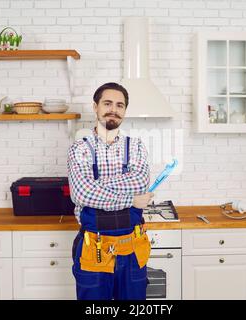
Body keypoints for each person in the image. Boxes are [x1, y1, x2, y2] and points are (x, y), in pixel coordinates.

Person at [67, 82, 153, 300]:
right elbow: (82, 194)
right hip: (93, 249)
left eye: (120, 105)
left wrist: (98, 184)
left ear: (124, 111)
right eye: (107, 103)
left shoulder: (136, 146)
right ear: (95, 106)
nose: (113, 109)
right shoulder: (81, 148)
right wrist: (132, 200)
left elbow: (141, 184)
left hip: (132, 249)